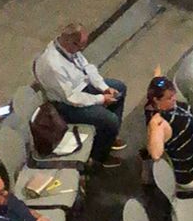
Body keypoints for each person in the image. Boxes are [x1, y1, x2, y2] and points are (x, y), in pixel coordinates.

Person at [34, 22, 130, 163]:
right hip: (66, 105)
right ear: (70, 42)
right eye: (80, 45)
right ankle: (99, 157)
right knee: (110, 120)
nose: (82, 49)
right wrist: (101, 99)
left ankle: (108, 137)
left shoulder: (69, 49)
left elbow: (87, 68)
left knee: (119, 88)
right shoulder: (53, 65)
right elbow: (71, 98)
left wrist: (104, 87)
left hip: (81, 87)